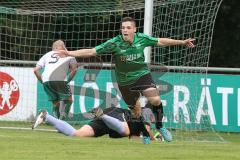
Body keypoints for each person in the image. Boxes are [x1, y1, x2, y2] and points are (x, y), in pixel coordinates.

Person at [57, 17, 195, 142]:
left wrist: (182, 42)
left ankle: (160, 126)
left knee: (155, 100)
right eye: (123, 28)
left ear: (134, 29)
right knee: (136, 112)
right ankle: (145, 134)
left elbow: (160, 41)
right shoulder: (114, 43)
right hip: (124, 82)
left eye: (128, 28)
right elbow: (92, 51)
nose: (125, 30)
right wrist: (69, 53)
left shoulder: (142, 38)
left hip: (141, 75)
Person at [32, 107, 155, 144]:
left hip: (109, 119)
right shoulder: (147, 111)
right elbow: (147, 133)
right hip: (116, 116)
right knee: (126, 130)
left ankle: (46, 116)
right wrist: (156, 138)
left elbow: (135, 137)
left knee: (77, 134)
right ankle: (102, 116)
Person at [33, 40, 78, 119]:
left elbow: (35, 70)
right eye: (64, 45)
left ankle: (55, 122)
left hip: (47, 81)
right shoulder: (68, 54)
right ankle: (61, 122)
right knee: (69, 100)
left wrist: (42, 81)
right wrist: (67, 81)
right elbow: (74, 69)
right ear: (62, 46)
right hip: (60, 79)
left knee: (55, 103)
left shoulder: (46, 55)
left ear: (53, 47)